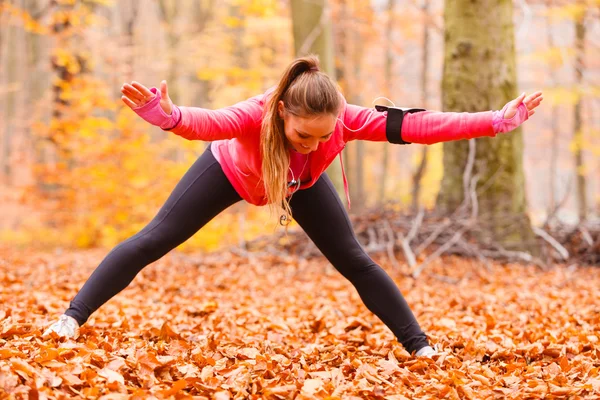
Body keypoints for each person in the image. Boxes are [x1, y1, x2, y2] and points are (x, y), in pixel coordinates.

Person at [43, 55, 543, 358]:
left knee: (356, 261)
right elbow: (205, 122)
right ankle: (71, 317)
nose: (313, 141)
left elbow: (419, 126)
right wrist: (166, 115)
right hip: (232, 172)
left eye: (325, 135)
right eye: (304, 133)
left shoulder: (342, 121)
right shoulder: (256, 114)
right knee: (154, 240)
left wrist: (494, 121)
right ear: (282, 113)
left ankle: (421, 346)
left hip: (298, 185)